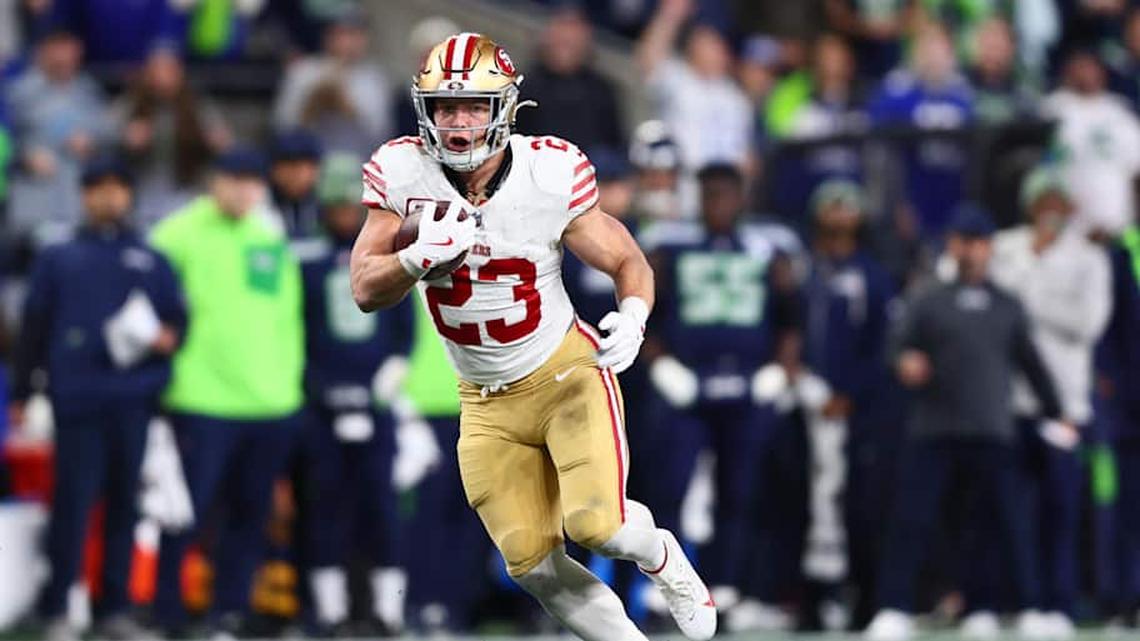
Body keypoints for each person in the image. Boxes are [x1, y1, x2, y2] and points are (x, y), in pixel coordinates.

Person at [349, 33, 717, 641]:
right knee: (534, 567)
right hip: (483, 400)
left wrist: (632, 315)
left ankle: (661, 556)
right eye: (445, 107)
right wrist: (414, 259)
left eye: (472, 106)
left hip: (563, 374)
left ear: (504, 108)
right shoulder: (402, 170)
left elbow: (627, 259)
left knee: (600, 526)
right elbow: (365, 287)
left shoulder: (548, 172)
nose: (458, 122)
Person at [865, 206, 1067, 641]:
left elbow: (1031, 364)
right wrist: (904, 361)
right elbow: (895, 347)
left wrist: (1057, 411)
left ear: (989, 248)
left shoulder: (1006, 305)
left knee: (1005, 523)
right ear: (952, 245)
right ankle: (894, 607)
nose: (971, 251)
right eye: (964, 241)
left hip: (992, 428)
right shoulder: (928, 298)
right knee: (912, 521)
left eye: (979, 242)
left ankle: (1012, 606)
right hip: (934, 428)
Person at [10, 156, 184, 641]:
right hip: (78, 399)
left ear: (129, 194)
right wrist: (24, 391)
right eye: (98, 187)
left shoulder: (151, 258)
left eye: (117, 187)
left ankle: (113, 609)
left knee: (125, 506)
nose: (109, 196)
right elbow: (33, 327)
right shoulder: (59, 256)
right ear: (84, 195)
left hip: (134, 400)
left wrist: (166, 337)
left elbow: (177, 321)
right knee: (73, 504)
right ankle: (57, 607)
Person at [149, 149, 305, 637]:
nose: (244, 191)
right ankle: (168, 612)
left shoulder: (268, 236)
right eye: (235, 180)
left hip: (270, 402)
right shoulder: (176, 234)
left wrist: (288, 387)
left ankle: (229, 611)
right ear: (215, 182)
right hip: (201, 399)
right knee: (185, 515)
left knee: (250, 515)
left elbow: (284, 319)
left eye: (252, 182)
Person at [642, 163, 801, 613]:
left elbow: (792, 318)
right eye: (708, 194)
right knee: (671, 484)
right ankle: (670, 584)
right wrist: (661, 365)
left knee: (741, 488)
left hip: (749, 383)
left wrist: (781, 369)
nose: (717, 203)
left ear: (741, 197)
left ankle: (727, 583)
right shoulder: (670, 249)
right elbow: (643, 310)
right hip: (688, 382)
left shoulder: (769, 251)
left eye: (725, 194)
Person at [985, 167, 1111, 638]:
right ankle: (1019, 602)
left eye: (1059, 202)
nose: (1051, 210)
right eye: (1043, 201)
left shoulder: (1088, 257)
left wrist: (1025, 300)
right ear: (1030, 205)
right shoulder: (1004, 247)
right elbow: (967, 287)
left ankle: (1059, 603)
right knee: (1008, 512)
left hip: (1064, 404)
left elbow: (1089, 324)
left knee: (1062, 509)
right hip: (1007, 399)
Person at [297, 154, 412, 635]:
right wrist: (323, 391)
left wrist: (388, 378)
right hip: (322, 406)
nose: (345, 215)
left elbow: (404, 328)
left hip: (377, 404)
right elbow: (295, 330)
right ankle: (330, 612)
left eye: (352, 207)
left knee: (381, 506)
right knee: (326, 506)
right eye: (338, 207)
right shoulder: (306, 259)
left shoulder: (387, 253)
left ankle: (388, 611)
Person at [5, 28, 106, 247]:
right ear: (42, 52)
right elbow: (6, 141)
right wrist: (24, 156)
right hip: (34, 204)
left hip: (78, 204)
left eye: (69, 50)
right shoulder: (18, 93)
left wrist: (92, 144)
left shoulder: (90, 92)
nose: (63, 57)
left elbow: (106, 139)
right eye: (57, 50)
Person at [110, 45, 232, 227]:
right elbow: (104, 139)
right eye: (156, 71)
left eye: (169, 70)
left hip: (187, 194)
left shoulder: (196, 106)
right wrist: (125, 140)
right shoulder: (130, 104)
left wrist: (216, 143)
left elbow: (224, 142)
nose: (162, 78)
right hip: (141, 196)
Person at [1041, 47, 1140, 239]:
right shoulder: (1051, 109)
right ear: (1068, 71)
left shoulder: (1120, 110)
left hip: (1118, 224)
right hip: (1067, 226)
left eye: (1092, 67)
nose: (1087, 73)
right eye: (1081, 66)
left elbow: (1136, 168)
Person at [273, 8, 391, 158]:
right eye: (340, 34)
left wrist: (347, 107)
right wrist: (313, 104)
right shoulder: (303, 72)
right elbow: (282, 126)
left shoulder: (375, 79)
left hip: (358, 160)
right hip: (310, 162)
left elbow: (381, 134)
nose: (347, 42)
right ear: (327, 36)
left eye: (353, 34)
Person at [513, 5, 624, 151]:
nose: (565, 51)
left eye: (571, 44)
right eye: (562, 42)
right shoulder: (525, 87)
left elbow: (615, 145)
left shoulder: (601, 91)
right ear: (548, 40)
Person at [268, 130, 323, 239]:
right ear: (274, 170)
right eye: (290, 167)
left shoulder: (326, 206)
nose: (297, 176)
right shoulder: (260, 207)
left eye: (304, 168)